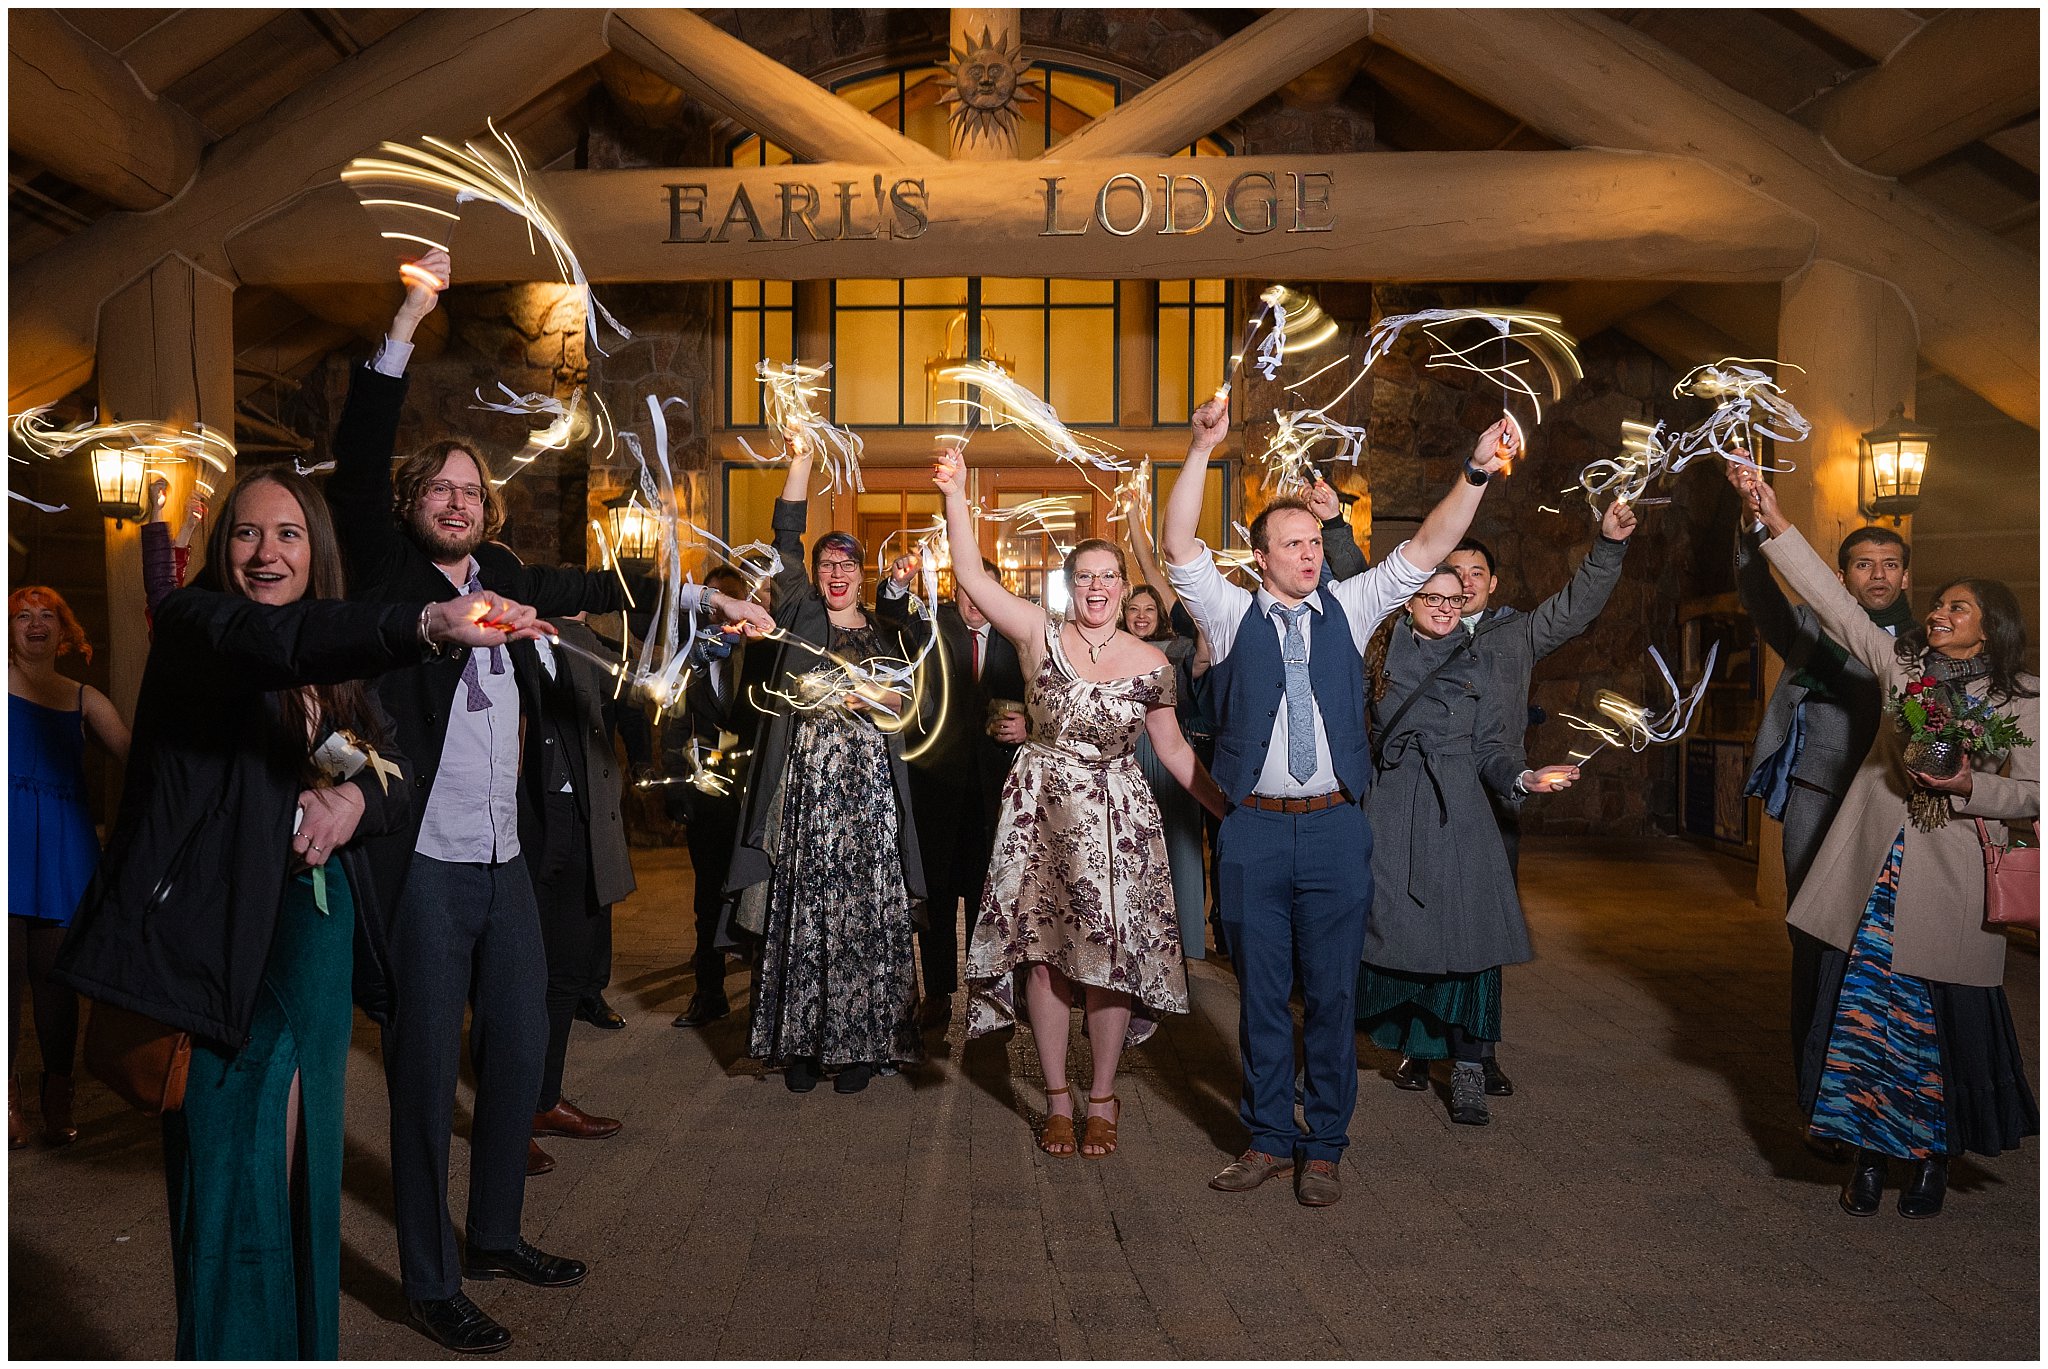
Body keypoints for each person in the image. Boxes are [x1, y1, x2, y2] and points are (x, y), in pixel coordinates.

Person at [324, 250, 771, 1353]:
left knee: (520, 1046)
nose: (458, 504)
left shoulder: (508, 575)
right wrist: (409, 318)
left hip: (503, 861)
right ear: (411, 507)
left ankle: (494, 1235)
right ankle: (429, 1280)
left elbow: (596, 586)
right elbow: (361, 456)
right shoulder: (391, 580)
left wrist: (700, 591)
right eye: (441, 491)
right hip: (421, 863)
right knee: (427, 1075)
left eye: (471, 493)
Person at [54, 467, 547, 1358]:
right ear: (222, 548)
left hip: (313, 940)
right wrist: (432, 622)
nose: (266, 552)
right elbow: (276, 641)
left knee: (310, 1174)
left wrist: (352, 802)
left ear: (314, 550)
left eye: (288, 534)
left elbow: (390, 769)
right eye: (247, 533)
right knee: (233, 1179)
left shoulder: (334, 664)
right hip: (217, 943)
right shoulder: (203, 625)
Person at [1162, 396, 1517, 1207]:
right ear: (1260, 558)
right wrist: (1198, 447)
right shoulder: (1229, 610)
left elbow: (1430, 543)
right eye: (1292, 544)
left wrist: (1475, 470)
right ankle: (1264, 1136)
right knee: (1258, 994)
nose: (1310, 553)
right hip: (1253, 831)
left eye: (1315, 542)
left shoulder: (1351, 610)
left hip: (1333, 829)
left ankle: (1322, 1146)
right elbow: (1178, 541)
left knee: (1331, 994)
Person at [1735, 464, 2038, 1219]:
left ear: (1987, 625)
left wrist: (1972, 786)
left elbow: (2034, 792)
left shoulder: (2023, 697)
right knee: (1864, 1017)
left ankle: (1931, 1158)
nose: (1937, 612)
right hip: (1876, 875)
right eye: (1937, 604)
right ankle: (1868, 1158)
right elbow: (1835, 607)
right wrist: (1774, 520)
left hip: (1953, 884)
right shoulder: (1902, 667)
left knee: (1933, 1030)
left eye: (1955, 608)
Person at [934, 449, 1228, 1158]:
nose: (1096, 587)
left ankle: (1102, 1094)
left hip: (1117, 819)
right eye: (1084, 576)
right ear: (1070, 586)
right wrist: (955, 493)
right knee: (1043, 960)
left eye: (1107, 576)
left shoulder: (1152, 662)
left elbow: (1176, 749)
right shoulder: (1038, 634)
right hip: (1040, 810)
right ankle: (1057, 1099)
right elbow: (971, 575)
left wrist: (1231, 811)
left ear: (1124, 586)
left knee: (1107, 961)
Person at [1322, 481, 1634, 1096]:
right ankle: (1416, 1045)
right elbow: (1365, 587)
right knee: (1399, 920)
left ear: (1492, 585)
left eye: (1475, 572)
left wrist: (1608, 547)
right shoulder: (1395, 632)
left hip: (1483, 799)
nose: (1462, 582)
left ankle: (1475, 1055)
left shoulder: (1512, 635)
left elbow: (1576, 606)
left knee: (1473, 931)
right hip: (1404, 795)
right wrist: (1337, 527)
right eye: (1450, 569)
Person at [727, 433, 926, 1094]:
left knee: (862, 912)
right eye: (827, 563)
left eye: (847, 564)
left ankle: (863, 1046)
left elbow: (900, 698)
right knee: (805, 908)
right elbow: (784, 539)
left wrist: (855, 687)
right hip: (809, 788)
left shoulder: (882, 631)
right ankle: (804, 1043)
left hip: (866, 794)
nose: (836, 573)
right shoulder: (802, 614)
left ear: (862, 572)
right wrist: (801, 462)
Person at [1355, 566, 1581, 1126]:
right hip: (1390, 808)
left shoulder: (1480, 660)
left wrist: (1522, 779)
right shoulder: (1374, 657)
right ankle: (1333, 1059)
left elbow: (1491, 747)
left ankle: (1469, 1070)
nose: (1445, 608)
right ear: (1409, 602)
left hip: (1459, 813)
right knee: (1370, 935)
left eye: (1455, 600)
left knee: (1469, 947)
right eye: (1433, 597)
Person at [1738, 514, 1914, 1097]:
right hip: (1817, 804)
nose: (1879, 576)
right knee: (1812, 944)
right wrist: (1750, 535)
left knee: (1876, 950)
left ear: (1907, 578)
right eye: (1865, 565)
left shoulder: (1924, 647)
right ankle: (1813, 1092)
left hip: (1891, 811)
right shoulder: (1812, 630)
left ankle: (1871, 1083)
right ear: (1839, 576)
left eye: (1890, 565)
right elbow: (1762, 596)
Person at [875, 555, 1027, 1031]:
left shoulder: (1019, 635)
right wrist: (897, 585)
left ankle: (991, 996)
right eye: (964, 589)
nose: (973, 602)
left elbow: (1048, 694)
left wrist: (1030, 725)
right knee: (936, 895)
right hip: (938, 788)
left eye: (982, 590)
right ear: (953, 591)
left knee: (992, 897)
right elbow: (891, 617)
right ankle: (938, 992)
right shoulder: (932, 625)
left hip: (997, 791)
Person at [9, 586, 128, 1147]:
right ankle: (6, 1103)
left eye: (47, 616)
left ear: (64, 631)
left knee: (55, 984)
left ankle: (57, 1097)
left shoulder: (85, 698)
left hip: (62, 851)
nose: (35, 624)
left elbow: (139, 757)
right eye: (21, 616)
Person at [523, 614, 637, 1174]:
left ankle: (544, 1101)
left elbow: (638, 689)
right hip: (522, 824)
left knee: (568, 971)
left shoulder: (584, 639)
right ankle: (510, 1118)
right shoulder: (497, 630)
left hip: (582, 818)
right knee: (514, 974)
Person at [668, 567, 754, 1029]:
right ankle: (709, 992)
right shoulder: (692, 660)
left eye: (728, 603)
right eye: (712, 604)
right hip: (708, 795)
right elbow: (676, 722)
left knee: (756, 891)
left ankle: (762, 988)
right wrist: (678, 789)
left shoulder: (759, 657)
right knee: (707, 895)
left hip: (753, 794)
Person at [1119, 582, 1211, 959]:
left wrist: (1204, 608)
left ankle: (1185, 943)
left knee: (1181, 845)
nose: (1141, 617)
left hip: (1169, 753)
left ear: (1160, 616)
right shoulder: (1112, 651)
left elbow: (1205, 658)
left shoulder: (1180, 650)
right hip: (1127, 754)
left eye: (1149, 610)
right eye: (1134, 610)